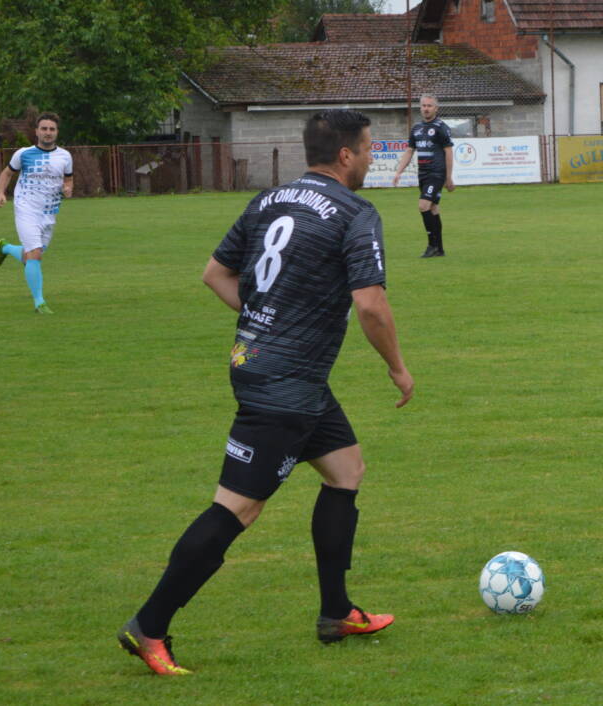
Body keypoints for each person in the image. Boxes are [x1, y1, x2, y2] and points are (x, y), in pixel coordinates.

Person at [117, 109, 415, 676]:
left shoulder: (268, 201)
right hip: (286, 384)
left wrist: (265, 321)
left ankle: (336, 613)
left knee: (346, 470)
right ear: (347, 155)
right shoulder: (355, 212)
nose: (373, 157)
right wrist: (398, 368)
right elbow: (371, 304)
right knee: (239, 507)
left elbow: (215, 274)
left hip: (271, 368)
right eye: (370, 148)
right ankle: (149, 626)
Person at [0, 112, 73, 314]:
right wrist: (0, 193)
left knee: (31, 256)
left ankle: (5, 248)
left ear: (57, 132)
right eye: (44, 129)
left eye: (52, 129)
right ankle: (39, 302)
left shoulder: (65, 156)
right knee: (35, 255)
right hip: (26, 208)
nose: (48, 133)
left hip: (49, 212)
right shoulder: (23, 154)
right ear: (37, 131)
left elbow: (68, 180)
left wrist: (68, 189)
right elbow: (7, 173)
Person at [392, 94, 454, 257]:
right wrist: (399, 171)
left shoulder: (441, 127)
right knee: (433, 208)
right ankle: (439, 249)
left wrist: (448, 177)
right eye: (423, 105)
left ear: (436, 108)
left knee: (423, 205)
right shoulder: (416, 128)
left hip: (436, 173)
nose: (426, 108)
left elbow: (448, 152)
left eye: (429, 106)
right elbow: (409, 151)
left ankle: (431, 245)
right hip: (423, 173)